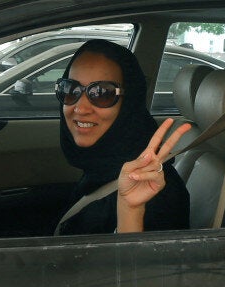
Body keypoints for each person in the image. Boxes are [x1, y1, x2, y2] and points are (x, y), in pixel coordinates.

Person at [55, 39, 191, 235]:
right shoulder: (101, 164)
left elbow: (141, 266)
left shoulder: (155, 190)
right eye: (70, 89)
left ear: (129, 103)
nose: (81, 108)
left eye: (102, 93)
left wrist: (131, 211)